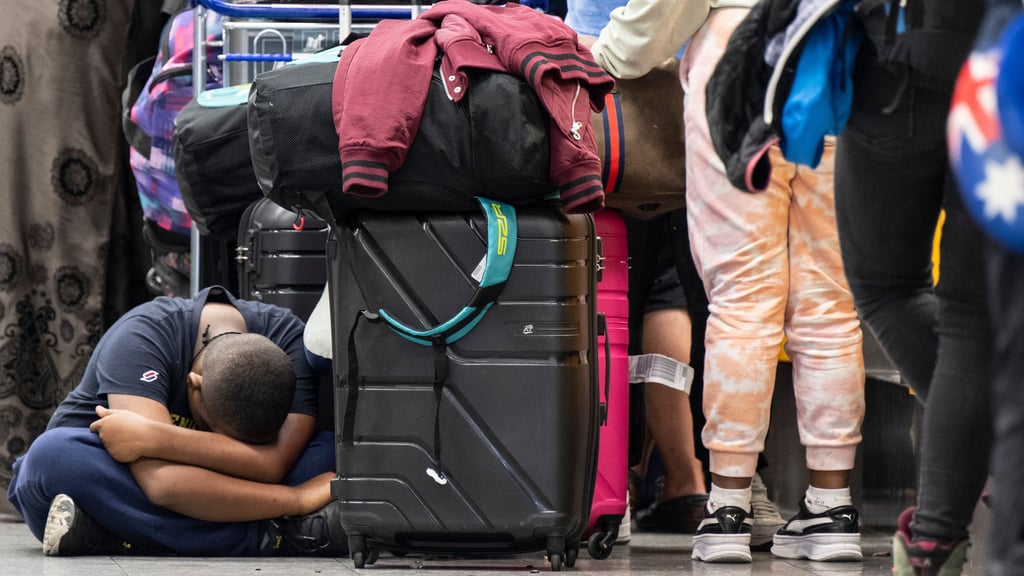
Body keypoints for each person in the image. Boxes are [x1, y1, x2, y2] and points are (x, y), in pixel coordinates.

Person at [589, 0, 867, 564]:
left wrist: (604, 55)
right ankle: (832, 507)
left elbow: (662, 14)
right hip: (838, 58)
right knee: (831, 304)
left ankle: (729, 508)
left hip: (742, 60)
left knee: (743, 302)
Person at [7, 285, 345, 557]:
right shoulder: (142, 336)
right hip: (125, 482)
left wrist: (152, 437)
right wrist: (296, 501)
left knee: (329, 452)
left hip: (202, 488)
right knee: (49, 459)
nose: (222, 446)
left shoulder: (290, 342)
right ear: (193, 384)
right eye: (215, 429)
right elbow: (163, 484)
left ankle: (115, 537)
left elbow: (273, 465)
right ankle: (276, 535)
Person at [831, 0, 991, 573]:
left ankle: (943, 532)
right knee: (974, 316)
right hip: (1004, 65)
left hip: (898, 56)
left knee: (884, 286)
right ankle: (935, 540)